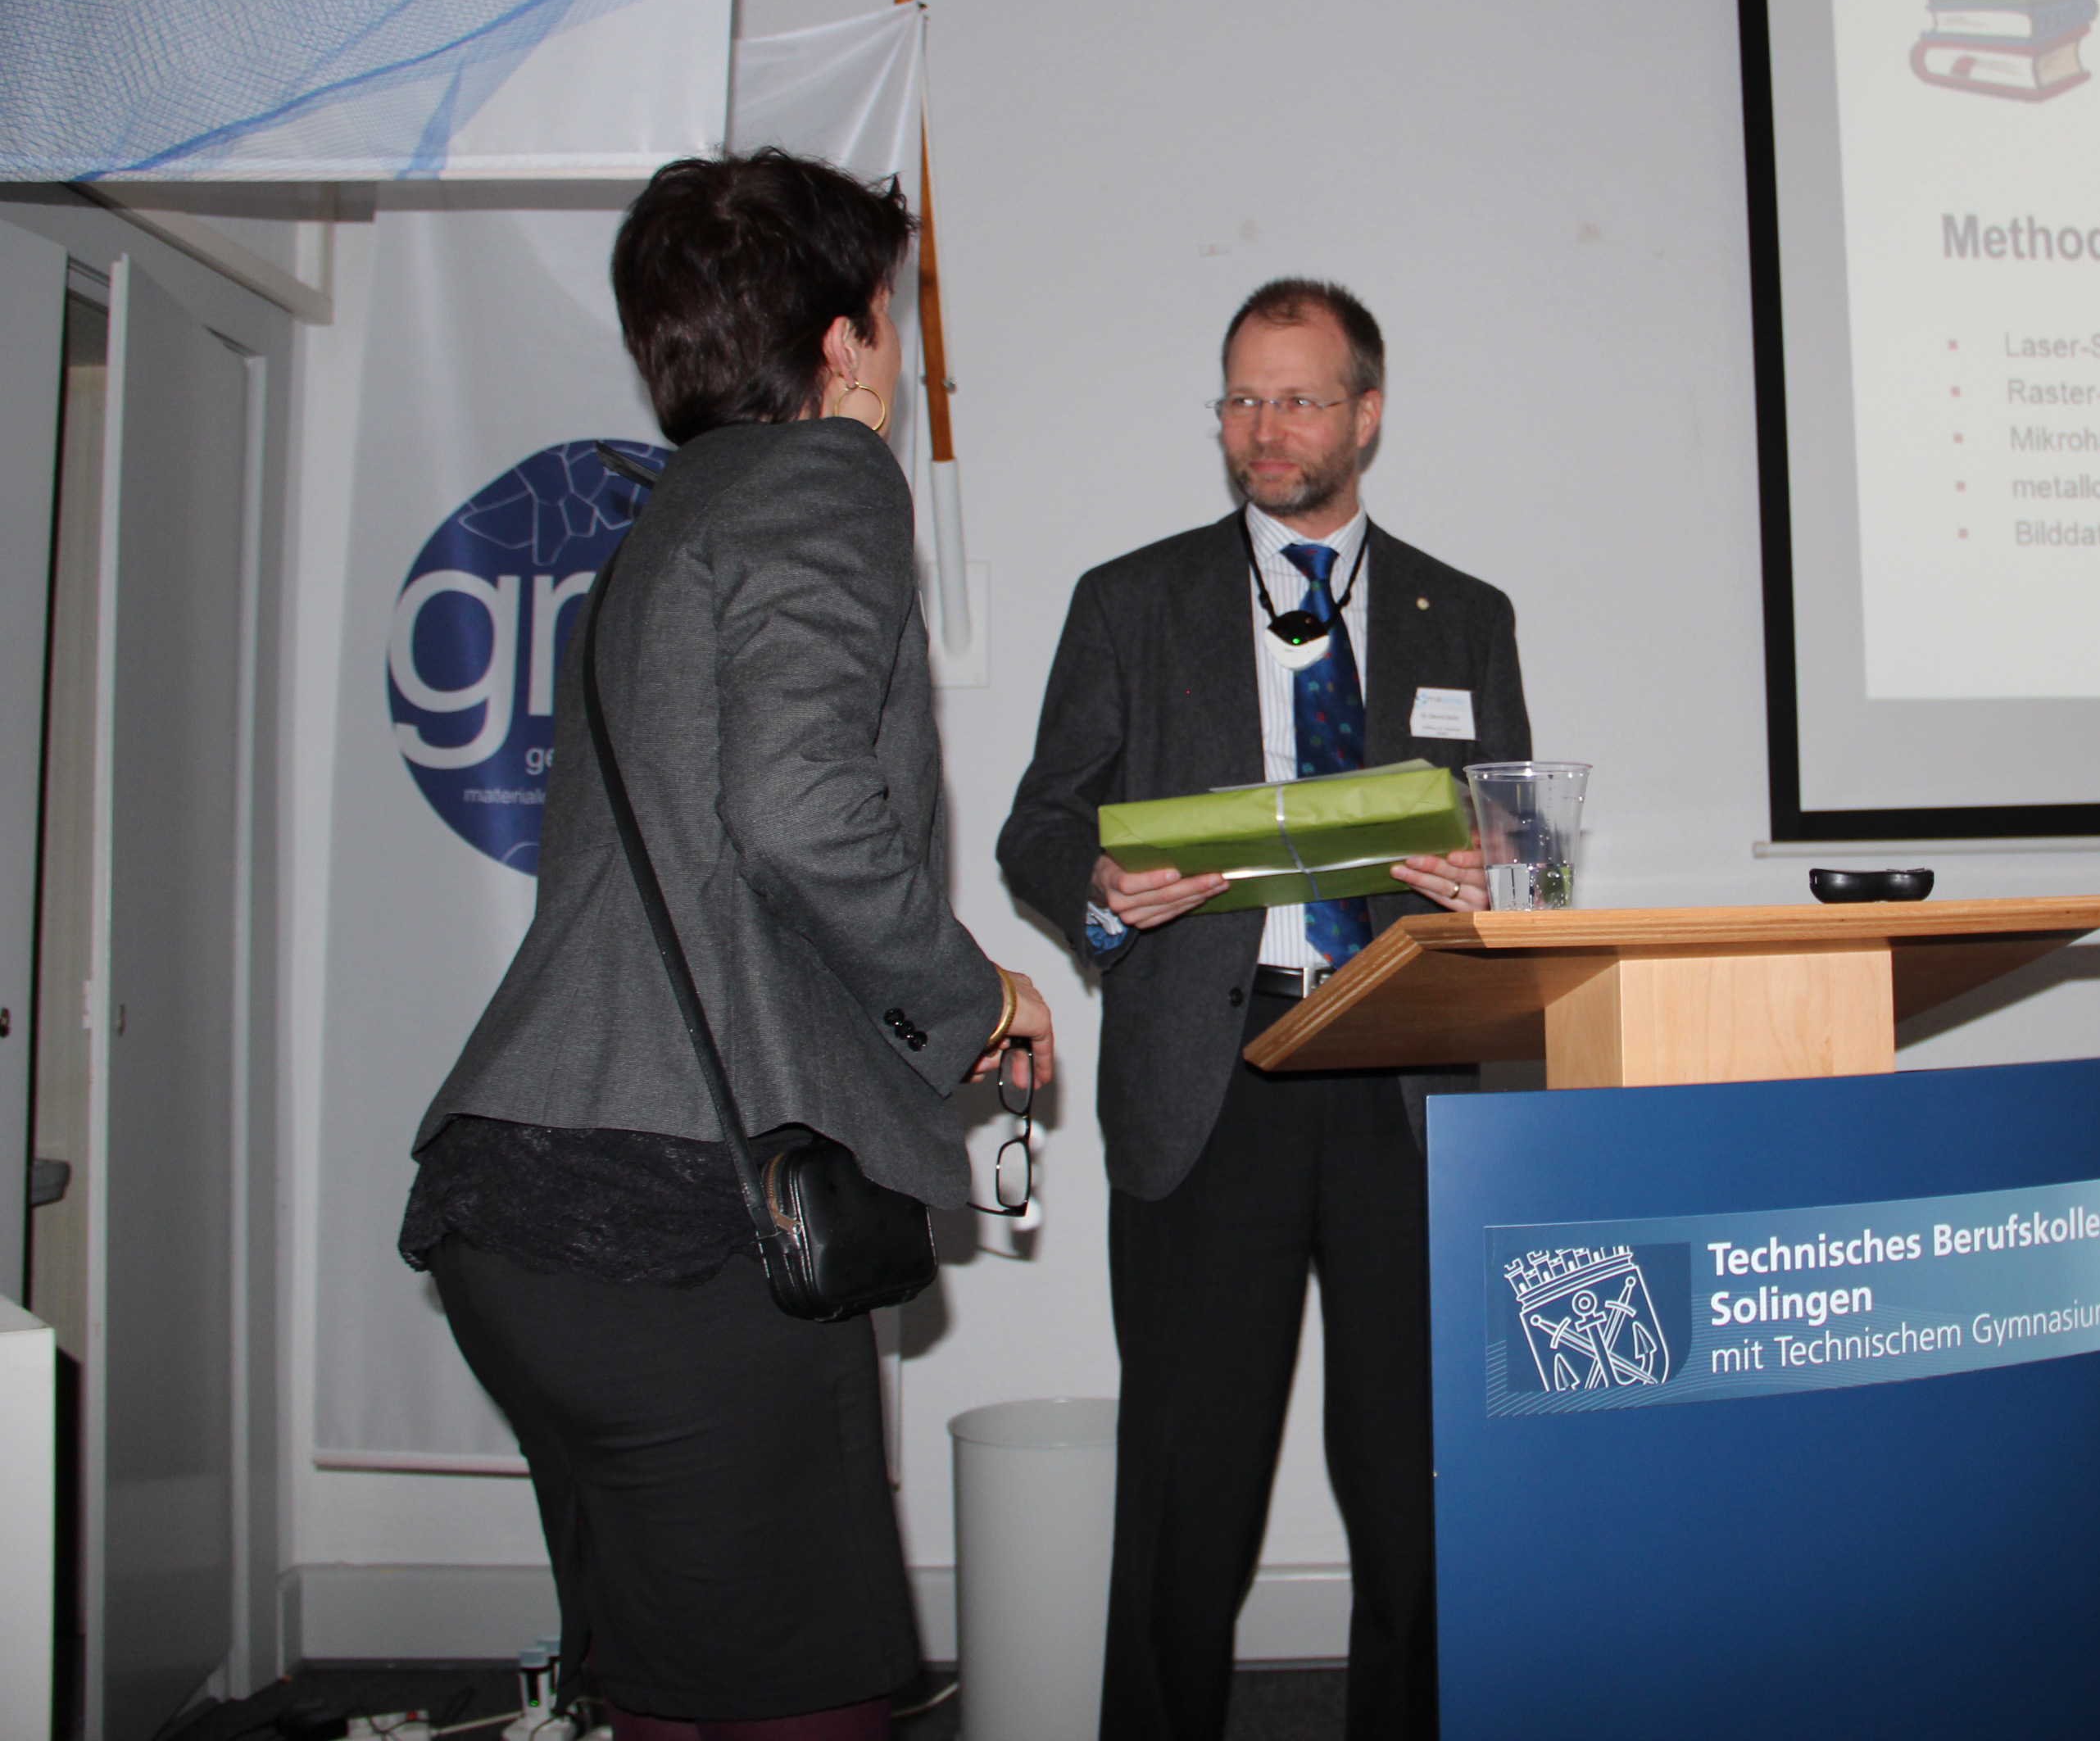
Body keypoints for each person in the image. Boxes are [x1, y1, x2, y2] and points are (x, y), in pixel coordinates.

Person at [401, 149, 1054, 1740]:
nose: (892, 353)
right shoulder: (827, 475)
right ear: (843, 339)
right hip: (684, 1226)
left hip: (523, 1208)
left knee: (671, 1687)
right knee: (800, 1699)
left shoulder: (658, 529)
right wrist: (977, 996)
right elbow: (795, 807)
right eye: (888, 316)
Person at [998, 278, 1531, 1741]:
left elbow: (1517, 838)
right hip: (1208, 1080)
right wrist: (1099, 885)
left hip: (1407, 1077)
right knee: (1189, 1492)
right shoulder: (1130, 602)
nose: (1264, 428)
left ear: (1367, 413)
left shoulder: (1463, 615)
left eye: (1298, 399)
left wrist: (1493, 881)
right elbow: (1039, 823)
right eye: (1241, 398)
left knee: (1421, 1492)